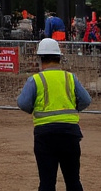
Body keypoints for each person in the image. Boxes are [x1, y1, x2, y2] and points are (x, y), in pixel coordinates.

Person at [16, 38, 92, 191]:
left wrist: (35, 109)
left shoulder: (36, 80)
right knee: (73, 181)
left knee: (47, 183)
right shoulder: (70, 78)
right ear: (59, 58)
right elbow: (86, 100)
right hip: (70, 134)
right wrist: (71, 109)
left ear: (41, 59)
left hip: (45, 135)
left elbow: (23, 103)